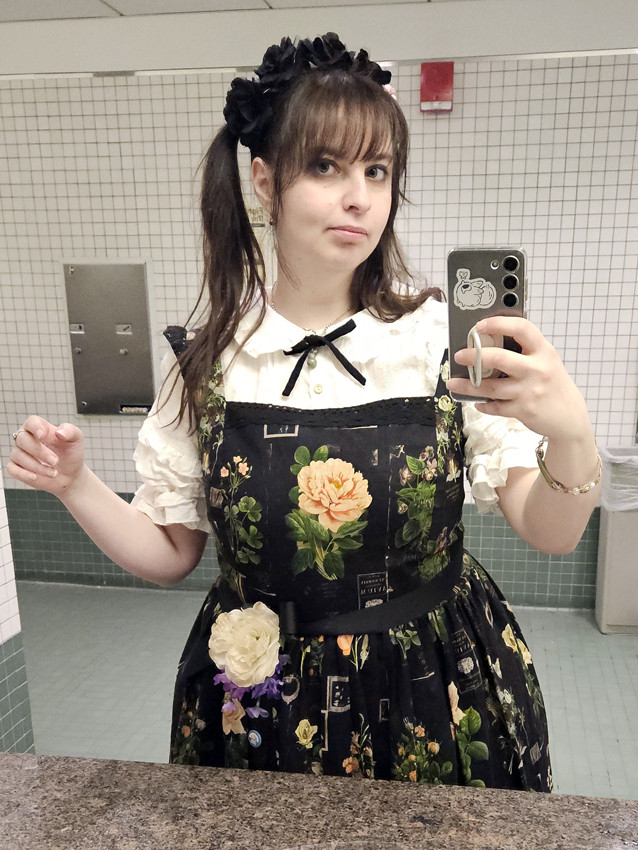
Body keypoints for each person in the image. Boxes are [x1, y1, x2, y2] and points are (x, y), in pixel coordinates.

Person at [7, 33, 601, 791]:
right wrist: (74, 484)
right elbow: (172, 553)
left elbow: (550, 533)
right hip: (260, 701)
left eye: (377, 170)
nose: (359, 196)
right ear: (265, 179)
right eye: (326, 166)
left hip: (436, 686)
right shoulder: (207, 360)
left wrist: (571, 431)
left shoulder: (435, 341)